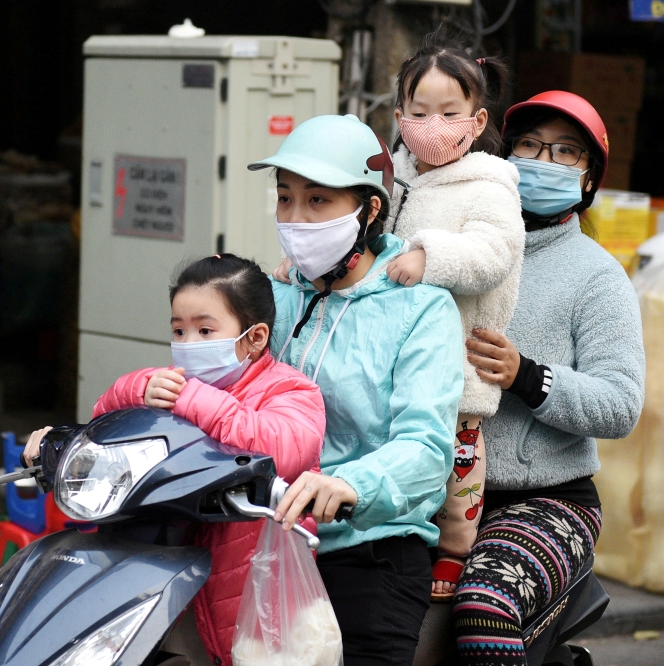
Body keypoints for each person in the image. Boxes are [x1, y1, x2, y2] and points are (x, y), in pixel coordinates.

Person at [25, 254, 325, 666]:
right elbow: (107, 422)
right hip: (171, 583)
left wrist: (193, 399)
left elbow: (284, 448)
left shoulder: (290, 391)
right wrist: (135, 390)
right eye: (178, 331)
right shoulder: (167, 386)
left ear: (254, 338)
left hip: (253, 588)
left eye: (205, 330)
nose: (187, 346)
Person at [259, 113, 465, 666]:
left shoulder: (421, 309)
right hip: (259, 534)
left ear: (369, 210)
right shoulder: (269, 295)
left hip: (369, 549)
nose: (295, 219)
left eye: (317, 201)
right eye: (285, 199)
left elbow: (426, 448)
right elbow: (207, 385)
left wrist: (349, 484)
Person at [449, 91, 645, 666]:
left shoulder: (597, 276)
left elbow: (621, 403)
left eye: (566, 152)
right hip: (437, 488)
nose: (544, 160)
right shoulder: (462, 250)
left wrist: (526, 377)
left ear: (588, 180)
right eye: (530, 146)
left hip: (547, 502)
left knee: (485, 604)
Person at [385, 30, 525, 599]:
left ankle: (453, 549)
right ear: (399, 115)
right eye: (419, 111)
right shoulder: (389, 178)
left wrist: (429, 256)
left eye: (449, 111)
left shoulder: (490, 185)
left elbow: (493, 254)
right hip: (391, 349)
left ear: (476, 118)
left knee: (458, 452)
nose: (432, 124)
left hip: (459, 353)